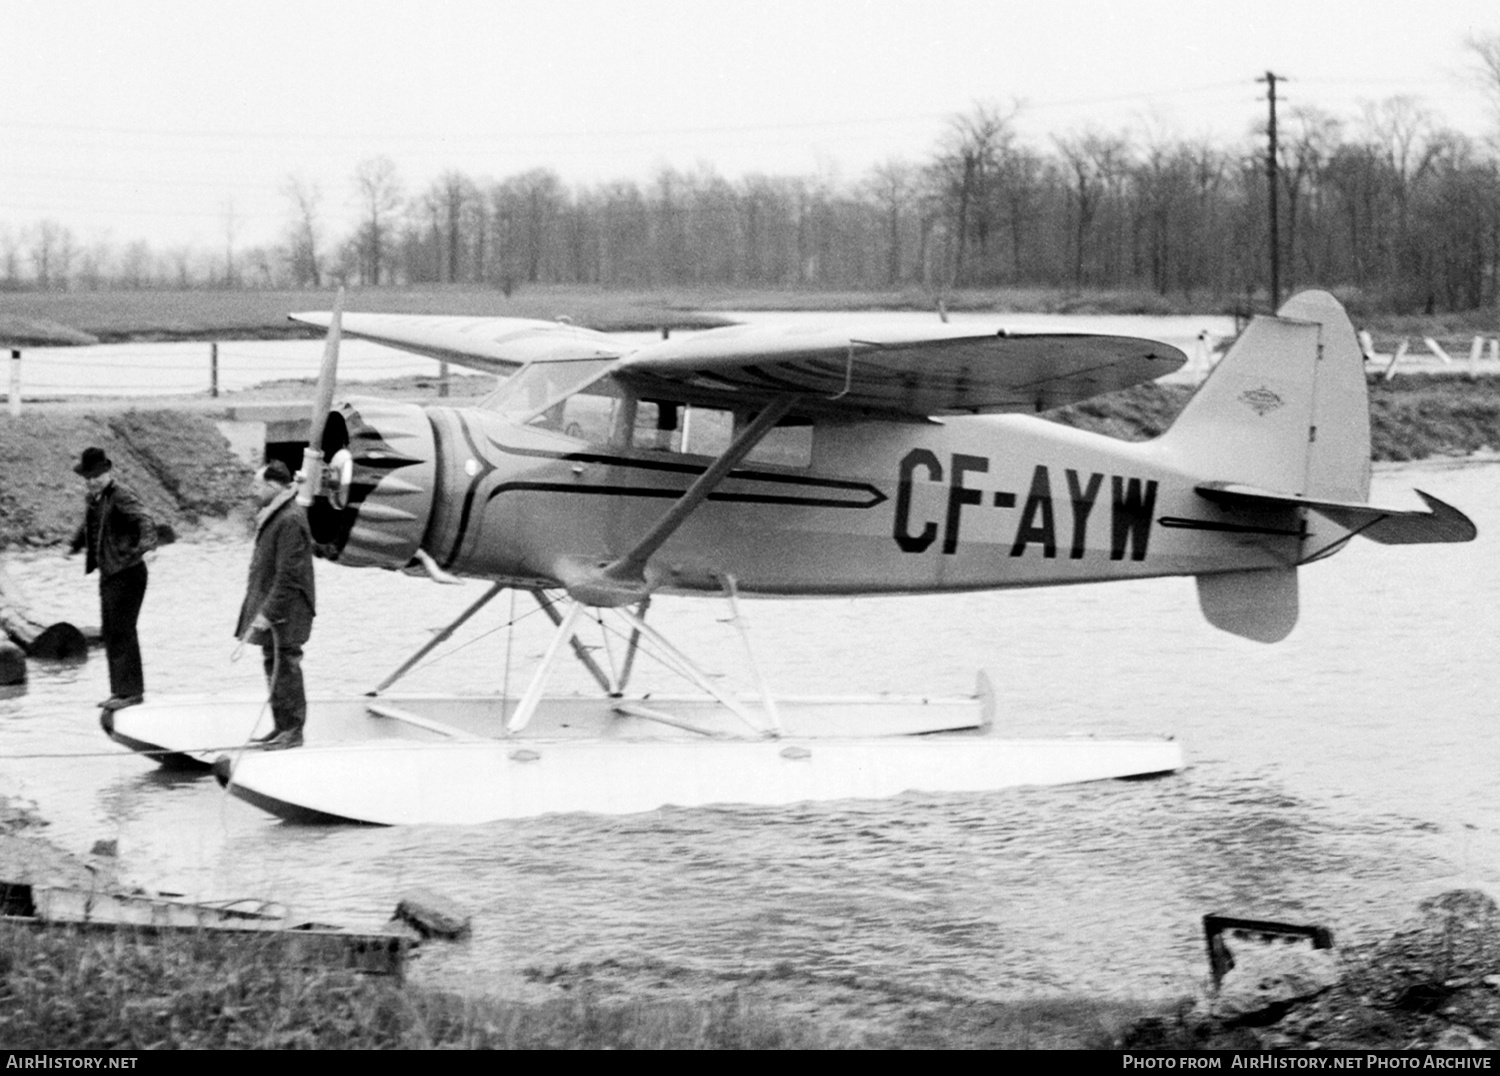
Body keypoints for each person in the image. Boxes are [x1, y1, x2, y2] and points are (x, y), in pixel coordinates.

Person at [68, 446, 157, 711]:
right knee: (110, 631)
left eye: (96, 475)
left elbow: (145, 519)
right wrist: (73, 545)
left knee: (123, 630)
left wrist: (147, 548)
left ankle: (131, 693)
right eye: (88, 477)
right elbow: (89, 525)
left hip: (129, 573)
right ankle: (119, 691)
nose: (92, 480)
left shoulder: (121, 495)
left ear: (108, 471)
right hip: (110, 574)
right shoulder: (94, 498)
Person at [234, 461, 315, 750]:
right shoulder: (278, 514)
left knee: (287, 664)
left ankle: (292, 731)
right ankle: (282, 727)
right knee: (274, 663)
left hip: (289, 610)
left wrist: (268, 614)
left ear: (272, 486)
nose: (253, 492)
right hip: (277, 608)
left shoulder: (290, 518)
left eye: (257, 486)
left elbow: (289, 575)